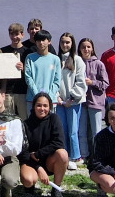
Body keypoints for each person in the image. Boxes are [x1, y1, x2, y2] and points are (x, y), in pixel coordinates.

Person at [19, 93, 69, 197]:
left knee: (63, 154)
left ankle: (56, 189)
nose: (42, 109)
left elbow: (59, 142)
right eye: (39, 105)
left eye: (45, 106)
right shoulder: (25, 124)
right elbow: (23, 152)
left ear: (50, 107)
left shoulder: (54, 119)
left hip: (48, 160)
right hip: (31, 162)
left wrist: (38, 154)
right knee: (28, 180)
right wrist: (38, 168)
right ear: (33, 106)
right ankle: (30, 186)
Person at [78, 37, 109, 170]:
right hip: (81, 102)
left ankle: (97, 155)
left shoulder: (99, 64)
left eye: (88, 47)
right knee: (82, 130)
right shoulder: (76, 62)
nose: (86, 49)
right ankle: (84, 155)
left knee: (96, 130)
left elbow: (105, 83)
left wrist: (92, 83)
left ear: (92, 48)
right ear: (79, 49)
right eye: (83, 47)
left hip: (95, 102)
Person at [56, 32, 86, 167]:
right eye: (62, 42)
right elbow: (55, 80)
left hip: (73, 102)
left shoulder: (77, 60)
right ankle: (65, 155)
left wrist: (71, 98)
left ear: (72, 44)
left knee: (73, 130)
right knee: (62, 129)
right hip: (60, 101)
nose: (65, 45)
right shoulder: (56, 59)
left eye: (68, 42)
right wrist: (57, 96)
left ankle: (75, 156)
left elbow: (80, 82)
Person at [23, 30, 60, 113]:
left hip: (50, 100)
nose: (41, 43)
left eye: (43, 40)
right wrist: (37, 96)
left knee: (48, 125)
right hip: (32, 99)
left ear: (49, 41)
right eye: (38, 40)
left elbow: (57, 81)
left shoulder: (55, 59)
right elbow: (28, 78)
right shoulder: (30, 57)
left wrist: (47, 97)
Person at [0, 23, 29, 119]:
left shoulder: (28, 51)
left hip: (23, 91)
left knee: (24, 119)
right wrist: (3, 92)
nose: (14, 37)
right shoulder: (3, 51)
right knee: (8, 119)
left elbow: (32, 74)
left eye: (17, 34)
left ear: (22, 35)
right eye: (12, 34)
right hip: (8, 92)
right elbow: (2, 73)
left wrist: (23, 68)